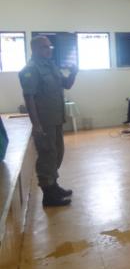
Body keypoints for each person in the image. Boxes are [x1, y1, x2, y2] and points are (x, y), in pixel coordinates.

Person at [18, 36, 78, 207]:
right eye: (45, 47)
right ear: (35, 49)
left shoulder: (51, 65)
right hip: (44, 121)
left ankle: (53, 184)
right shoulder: (30, 69)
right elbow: (29, 98)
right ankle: (48, 195)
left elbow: (66, 84)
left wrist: (73, 73)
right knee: (47, 155)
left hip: (56, 118)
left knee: (57, 153)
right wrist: (35, 124)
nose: (49, 49)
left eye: (50, 47)